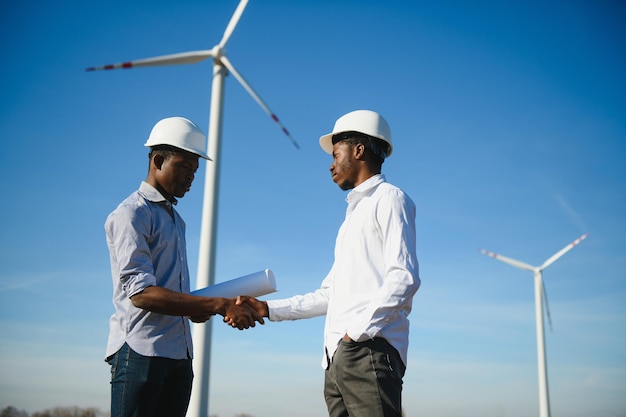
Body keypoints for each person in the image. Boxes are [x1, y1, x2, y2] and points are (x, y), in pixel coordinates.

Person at [232, 110, 421, 417]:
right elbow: (329, 295)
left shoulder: (390, 199)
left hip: (367, 351)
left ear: (359, 150)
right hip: (338, 359)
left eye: (335, 154)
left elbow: (404, 278)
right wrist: (268, 309)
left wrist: (356, 334)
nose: (331, 165)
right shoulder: (351, 218)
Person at [104, 116, 263, 417]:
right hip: (142, 352)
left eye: (196, 170)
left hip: (179, 355)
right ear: (158, 160)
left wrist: (197, 309)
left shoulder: (177, 221)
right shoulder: (131, 214)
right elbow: (141, 294)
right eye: (185, 167)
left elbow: (169, 290)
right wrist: (219, 304)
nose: (192, 177)